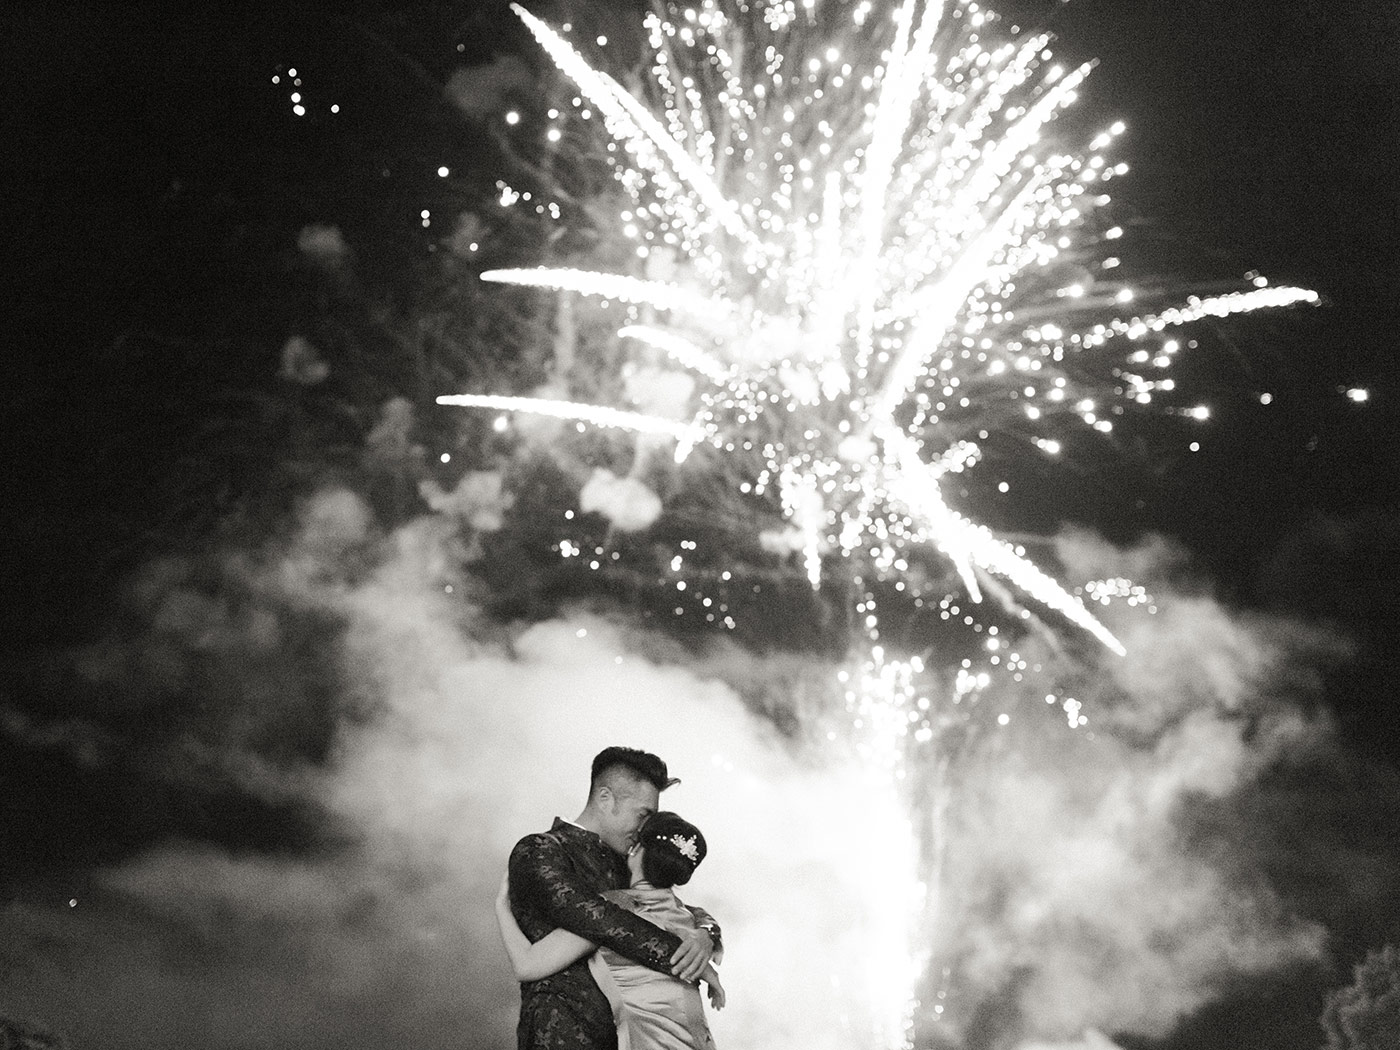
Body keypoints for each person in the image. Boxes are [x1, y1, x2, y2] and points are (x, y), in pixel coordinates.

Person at [505, 747, 722, 1050]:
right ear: (606, 799)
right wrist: (684, 957)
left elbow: (678, 909)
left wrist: (705, 935)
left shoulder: (629, 865)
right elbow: (598, 919)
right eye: (643, 815)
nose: (644, 829)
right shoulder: (540, 850)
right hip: (560, 1034)